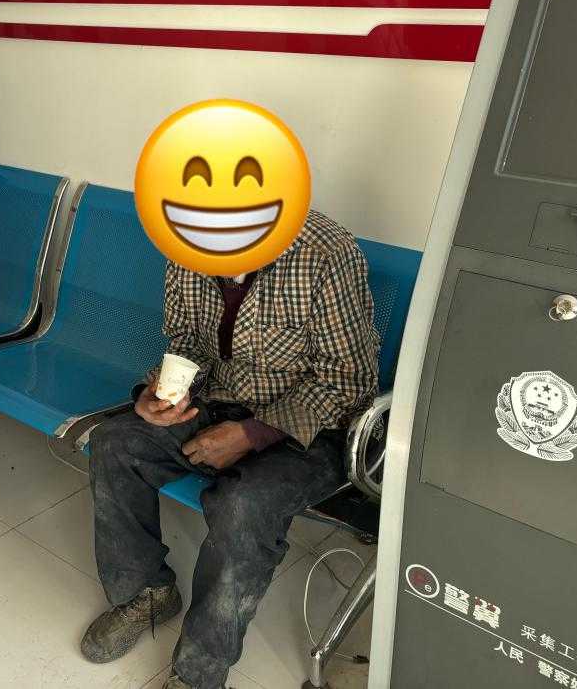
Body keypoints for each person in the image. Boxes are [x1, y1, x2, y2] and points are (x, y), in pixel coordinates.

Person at [79, 211, 380, 689]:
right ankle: (147, 592)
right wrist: (161, 393)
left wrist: (251, 434)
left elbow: (348, 382)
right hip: (219, 400)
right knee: (115, 443)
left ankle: (199, 674)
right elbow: (187, 340)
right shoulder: (184, 237)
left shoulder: (325, 252)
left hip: (316, 428)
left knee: (242, 505)